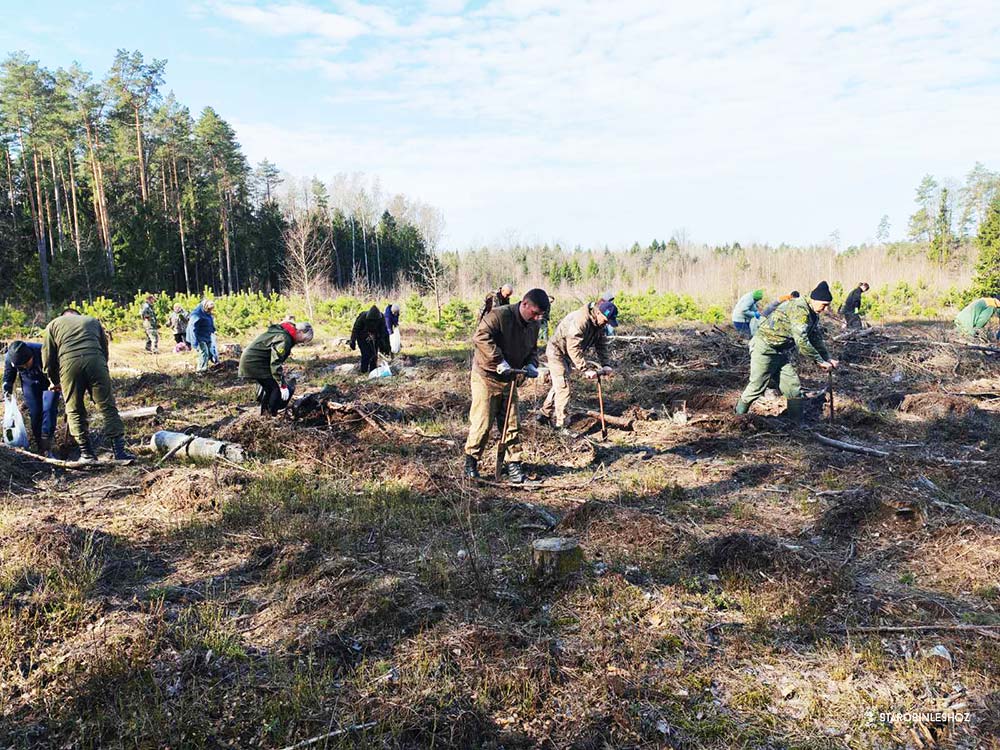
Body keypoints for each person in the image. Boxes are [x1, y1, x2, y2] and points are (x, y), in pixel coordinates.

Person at [464, 288, 549, 483]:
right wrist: (498, 360)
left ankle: (514, 467)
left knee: (511, 424)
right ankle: (471, 464)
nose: (536, 318)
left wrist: (531, 364)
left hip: (510, 379)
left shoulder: (533, 325)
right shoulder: (500, 315)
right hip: (486, 377)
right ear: (524, 304)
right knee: (482, 422)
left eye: (540, 315)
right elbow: (480, 337)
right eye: (534, 313)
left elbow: (532, 349)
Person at [735, 281, 839, 424]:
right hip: (764, 349)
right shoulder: (799, 308)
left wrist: (827, 358)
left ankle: (796, 425)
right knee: (756, 387)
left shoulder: (813, 313)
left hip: (780, 351)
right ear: (814, 300)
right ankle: (737, 418)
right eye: (824, 305)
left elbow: (815, 338)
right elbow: (801, 340)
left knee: (793, 387)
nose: (826, 309)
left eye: (828, 305)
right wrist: (819, 361)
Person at [41, 309, 134, 462]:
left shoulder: (53, 325)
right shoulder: (92, 320)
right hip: (96, 361)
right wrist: (101, 369)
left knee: (74, 409)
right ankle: (120, 453)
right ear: (78, 315)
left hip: (69, 364)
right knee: (107, 406)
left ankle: (86, 454)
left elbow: (48, 358)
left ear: (63, 316)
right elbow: (104, 348)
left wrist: (54, 380)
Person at [538, 299, 616, 435]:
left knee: (559, 384)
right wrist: (585, 369)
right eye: (605, 320)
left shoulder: (599, 324)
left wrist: (606, 364)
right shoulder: (581, 320)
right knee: (563, 387)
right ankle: (561, 426)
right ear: (598, 313)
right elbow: (573, 346)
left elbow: (601, 345)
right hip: (557, 351)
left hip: (567, 354)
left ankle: (544, 415)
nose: (606, 324)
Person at [239, 320, 314, 416]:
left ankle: (265, 416)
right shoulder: (284, 338)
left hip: (252, 360)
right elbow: (275, 362)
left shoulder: (283, 333)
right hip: (254, 362)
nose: (302, 343)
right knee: (275, 390)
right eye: (303, 340)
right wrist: (282, 385)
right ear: (300, 331)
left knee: (269, 389)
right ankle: (270, 417)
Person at [3, 341, 58, 456]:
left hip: (49, 381)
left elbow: (59, 367)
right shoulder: (10, 357)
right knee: (35, 413)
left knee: (49, 410)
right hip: (29, 383)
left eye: (26, 364)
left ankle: (47, 445)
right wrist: (7, 386)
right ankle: (40, 447)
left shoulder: (43, 351)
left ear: (31, 356)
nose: (24, 367)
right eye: (20, 366)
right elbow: (9, 375)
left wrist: (59, 383)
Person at [350, 304, 391, 373]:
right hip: (362, 337)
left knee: (374, 355)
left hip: (375, 337)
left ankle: (373, 372)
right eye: (372, 320)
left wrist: (386, 347)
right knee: (366, 355)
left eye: (375, 321)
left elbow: (384, 333)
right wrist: (353, 341)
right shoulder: (363, 317)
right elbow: (356, 329)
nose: (373, 322)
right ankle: (363, 371)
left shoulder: (381, 318)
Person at [186, 299, 217, 371]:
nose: (210, 311)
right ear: (205, 307)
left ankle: (206, 365)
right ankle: (201, 370)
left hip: (207, 335)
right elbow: (192, 329)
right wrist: (194, 342)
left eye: (211, 309)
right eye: (209, 309)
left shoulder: (207, 314)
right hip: (198, 337)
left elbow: (210, 323)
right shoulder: (196, 315)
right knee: (203, 352)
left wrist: (213, 330)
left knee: (209, 352)